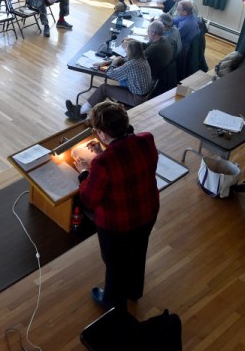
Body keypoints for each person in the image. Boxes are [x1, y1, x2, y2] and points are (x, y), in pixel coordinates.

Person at [74, 100, 160, 311]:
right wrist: (105, 150)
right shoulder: (147, 139)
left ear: (102, 133)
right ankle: (134, 290)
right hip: (148, 212)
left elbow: (88, 199)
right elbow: (129, 158)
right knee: (138, 252)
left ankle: (112, 303)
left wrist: (84, 172)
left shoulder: (102, 163)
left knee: (114, 264)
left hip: (118, 225)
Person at [65, 40, 154, 121]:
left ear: (132, 52)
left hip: (136, 98)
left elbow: (111, 73)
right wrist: (106, 62)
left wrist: (114, 62)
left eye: (127, 51)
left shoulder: (131, 65)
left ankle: (80, 112)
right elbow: (125, 60)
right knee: (104, 88)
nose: (126, 52)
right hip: (142, 94)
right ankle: (83, 110)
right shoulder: (142, 59)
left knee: (104, 88)